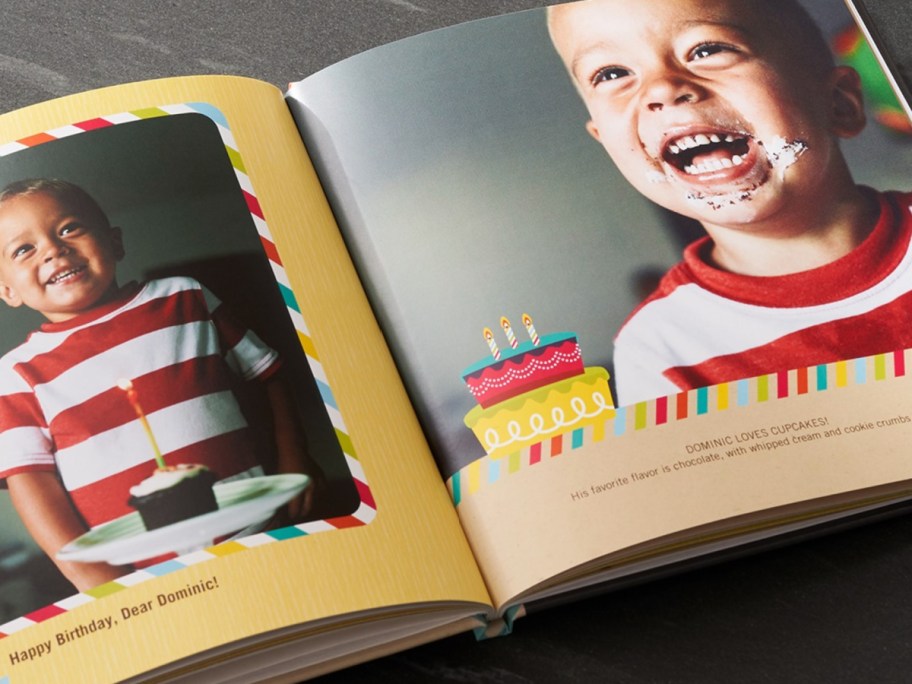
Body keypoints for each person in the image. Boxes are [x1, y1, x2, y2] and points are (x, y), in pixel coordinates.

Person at [547, 0, 912, 405]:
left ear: (839, 104)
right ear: (606, 144)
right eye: (613, 73)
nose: (663, 89)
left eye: (707, 50)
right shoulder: (659, 350)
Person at [0, 178, 321, 590]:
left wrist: (298, 461)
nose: (53, 249)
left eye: (69, 228)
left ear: (114, 242)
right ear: (7, 289)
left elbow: (268, 375)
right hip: (144, 579)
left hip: (260, 530)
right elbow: (30, 482)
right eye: (24, 249)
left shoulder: (185, 298)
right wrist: (94, 578)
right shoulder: (16, 373)